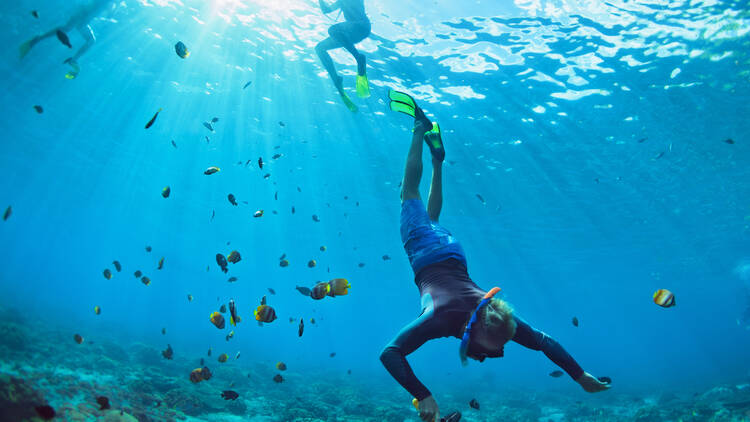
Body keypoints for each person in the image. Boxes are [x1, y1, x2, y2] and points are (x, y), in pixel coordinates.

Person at [380, 91, 611, 422]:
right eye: (492, 349)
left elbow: (544, 342)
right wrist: (422, 394)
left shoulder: (496, 319)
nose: (495, 355)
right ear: (474, 330)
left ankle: (437, 161)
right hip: (427, 252)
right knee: (409, 193)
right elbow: (389, 353)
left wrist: (581, 376)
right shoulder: (443, 317)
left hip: (453, 251)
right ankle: (419, 128)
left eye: (499, 349)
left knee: (432, 220)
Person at [19, 0, 115, 79]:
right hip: (82, 13)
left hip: (84, 20)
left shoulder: (112, 3)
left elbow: (109, 14)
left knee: (90, 40)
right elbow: (107, 12)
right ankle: (38, 39)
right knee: (67, 29)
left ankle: (74, 60)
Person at [315, 0, 371, 112]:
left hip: (361, 26)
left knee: (333, 30)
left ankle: (358, 57)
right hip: (349, 34)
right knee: (319, 48)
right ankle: (336, 79)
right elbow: (326, 10)